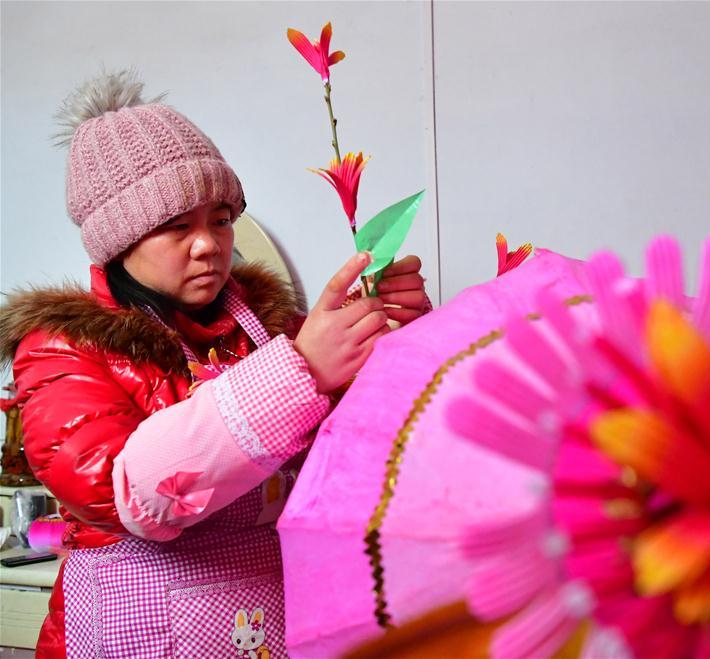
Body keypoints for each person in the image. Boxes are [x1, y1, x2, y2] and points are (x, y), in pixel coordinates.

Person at [0, 70, 429, 658]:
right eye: (178, 226)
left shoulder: (271, 329)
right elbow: (127, 494)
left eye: (221, 220)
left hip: (273, 620)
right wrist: (301, 368)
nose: (209, 244)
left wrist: (392, 332)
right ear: (118, 242)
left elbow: (360, 452)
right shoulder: (59, 350)